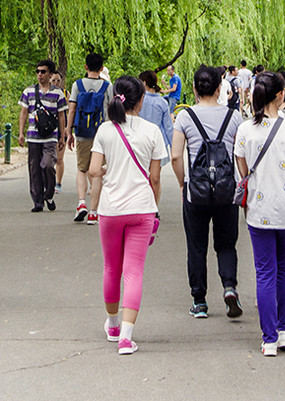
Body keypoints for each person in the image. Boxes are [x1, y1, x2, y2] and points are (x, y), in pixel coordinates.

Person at [87, 76, 164, 355]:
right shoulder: (152, 131)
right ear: (141, 101)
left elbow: (94, 170)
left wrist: (111, 174)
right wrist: (153, 205)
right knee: (134, 271)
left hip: (110, 209)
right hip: (141, 208)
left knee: (111, 268)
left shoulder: (105, 131)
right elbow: (155, 178)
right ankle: (126, 338)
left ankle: (113, 324)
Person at [234, 72, 285, 357]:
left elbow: (243, 170)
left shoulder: (245, 131)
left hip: (259, 209)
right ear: (281, 95)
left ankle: (269, 339)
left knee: (265, 272)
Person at [171, 66, 244, 319]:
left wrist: (184, 183)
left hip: (196, 191)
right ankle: (229, 287)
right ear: (218, 88)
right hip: (226, 191)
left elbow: (175, 155)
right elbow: (239, 155)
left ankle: (199, 301)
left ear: (194, 88)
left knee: (196, 246)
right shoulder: (234, 118)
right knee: (226, 244)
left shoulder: (185, 117)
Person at [66, 53, 113, 224]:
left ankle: (81, 203)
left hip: (82, 132)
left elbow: (72, 109)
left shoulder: (77, 85)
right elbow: (111, 111)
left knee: (82, 168)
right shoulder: (108, 87)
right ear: (101, 68)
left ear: (85, 67)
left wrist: (68, 130)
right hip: (103, 133)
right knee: (98, 171)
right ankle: (94, 212)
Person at [19, 60, 67, 212]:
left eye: (43, 72)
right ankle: (38, 201)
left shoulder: (58, 93)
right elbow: (23, 113)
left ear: (50, 74)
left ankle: (49, 194)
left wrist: (62, 135)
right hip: (33, 136)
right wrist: (21, 132)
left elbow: (61, 116)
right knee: (34, 168)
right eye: (38, 71)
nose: (40, 74)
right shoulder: (29, 92)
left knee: (47, 165)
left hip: (50, 136)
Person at [138, 70, 173, 165]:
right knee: (155, 176)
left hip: (140, 142)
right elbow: (168, 127)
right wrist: (173, 147)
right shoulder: (163, 102)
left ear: (144, 83)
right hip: (158, 142)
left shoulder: (138, 100)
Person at [50, 71, 67, 193]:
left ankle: (58, 183)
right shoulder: (45, 93)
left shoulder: (65, 94)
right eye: (53, 80)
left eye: (58, 81)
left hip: (62, 130)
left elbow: (69, 111)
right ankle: (48, 182)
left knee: (59, 158)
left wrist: (68, 128)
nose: (56, 83)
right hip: (49, 129)